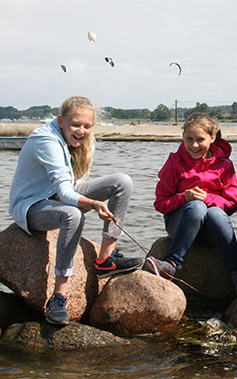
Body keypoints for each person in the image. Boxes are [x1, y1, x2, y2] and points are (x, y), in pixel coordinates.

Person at [9, 96, 143, 325]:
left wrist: (90, 201)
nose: (81, 131)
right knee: (73, 214)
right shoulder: (46, 140)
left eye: (87, 126)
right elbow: (65, 190)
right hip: (32, 205)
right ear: (61, 121)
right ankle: (58, 295)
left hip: (59, 194)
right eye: (76, 125)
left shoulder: (79, 139)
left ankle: (105, 260)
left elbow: (69, 188)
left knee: (123, 182)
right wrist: (93, 204)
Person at [144, 113, 237, 295]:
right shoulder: (174, 162)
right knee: (197, 207)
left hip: (209, 232)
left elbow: (232, 203)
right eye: (189, 139)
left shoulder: (224, 165)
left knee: (215, 212)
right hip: (180, 223)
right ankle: (172, 263)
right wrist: (184, 198)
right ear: (183, 137)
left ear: (213, 137)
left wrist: (208, 198)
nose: (194, 145)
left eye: (200, 140)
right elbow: (160, 204)